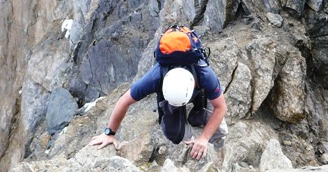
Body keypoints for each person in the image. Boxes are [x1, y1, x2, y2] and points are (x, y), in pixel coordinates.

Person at [90, 59, 227, 160]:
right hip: (171, 97)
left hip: (200, 92)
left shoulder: (205, 75)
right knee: (174, 134)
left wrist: (204, 138)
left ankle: (218, 154)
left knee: (220, 131)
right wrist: (109, 133)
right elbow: (123, 101)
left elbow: (220, 107)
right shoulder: (156, 77)